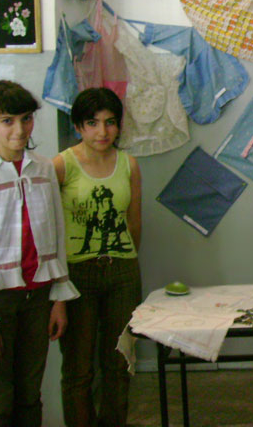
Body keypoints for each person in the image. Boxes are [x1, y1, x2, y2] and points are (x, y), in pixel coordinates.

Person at [0, 80, 79, 427]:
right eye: (7, 121)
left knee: (30, 396)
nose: (19, 130)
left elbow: (56, 233)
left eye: (26, 119)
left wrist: (59, 298)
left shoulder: (43, 168)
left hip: (38, 298)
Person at [52, 87, 142, 427]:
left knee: (119, 362)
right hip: (76, 274)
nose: (102, 132)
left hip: (122, 272)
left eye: (110, 122)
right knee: (79, 368)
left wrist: (126, 260)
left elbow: (135, 223)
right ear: (78, 126)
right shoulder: (61, 165)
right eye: (92, 123)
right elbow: (49, 229)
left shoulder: (129, 165)